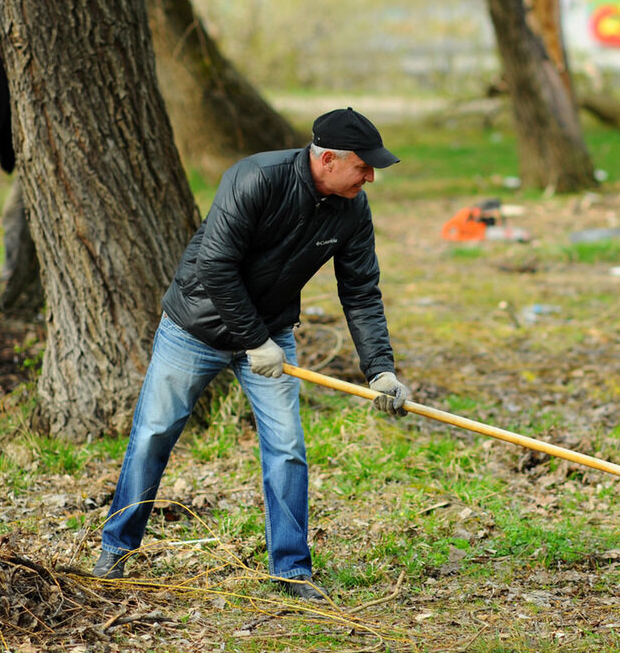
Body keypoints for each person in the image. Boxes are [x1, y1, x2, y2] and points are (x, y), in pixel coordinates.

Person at [93, 107, 411, 602]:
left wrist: (381, 370)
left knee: (287, 448)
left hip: (271, 332)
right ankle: (116, 548)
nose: (370, 176)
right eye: (363, 166)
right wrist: (253, 339)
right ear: (328, 159)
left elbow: (362, 292)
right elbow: (216, 265)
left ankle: (290, 571)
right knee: (154, 433)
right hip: (194, 328)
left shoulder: (352, 208)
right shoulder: (256, 178)